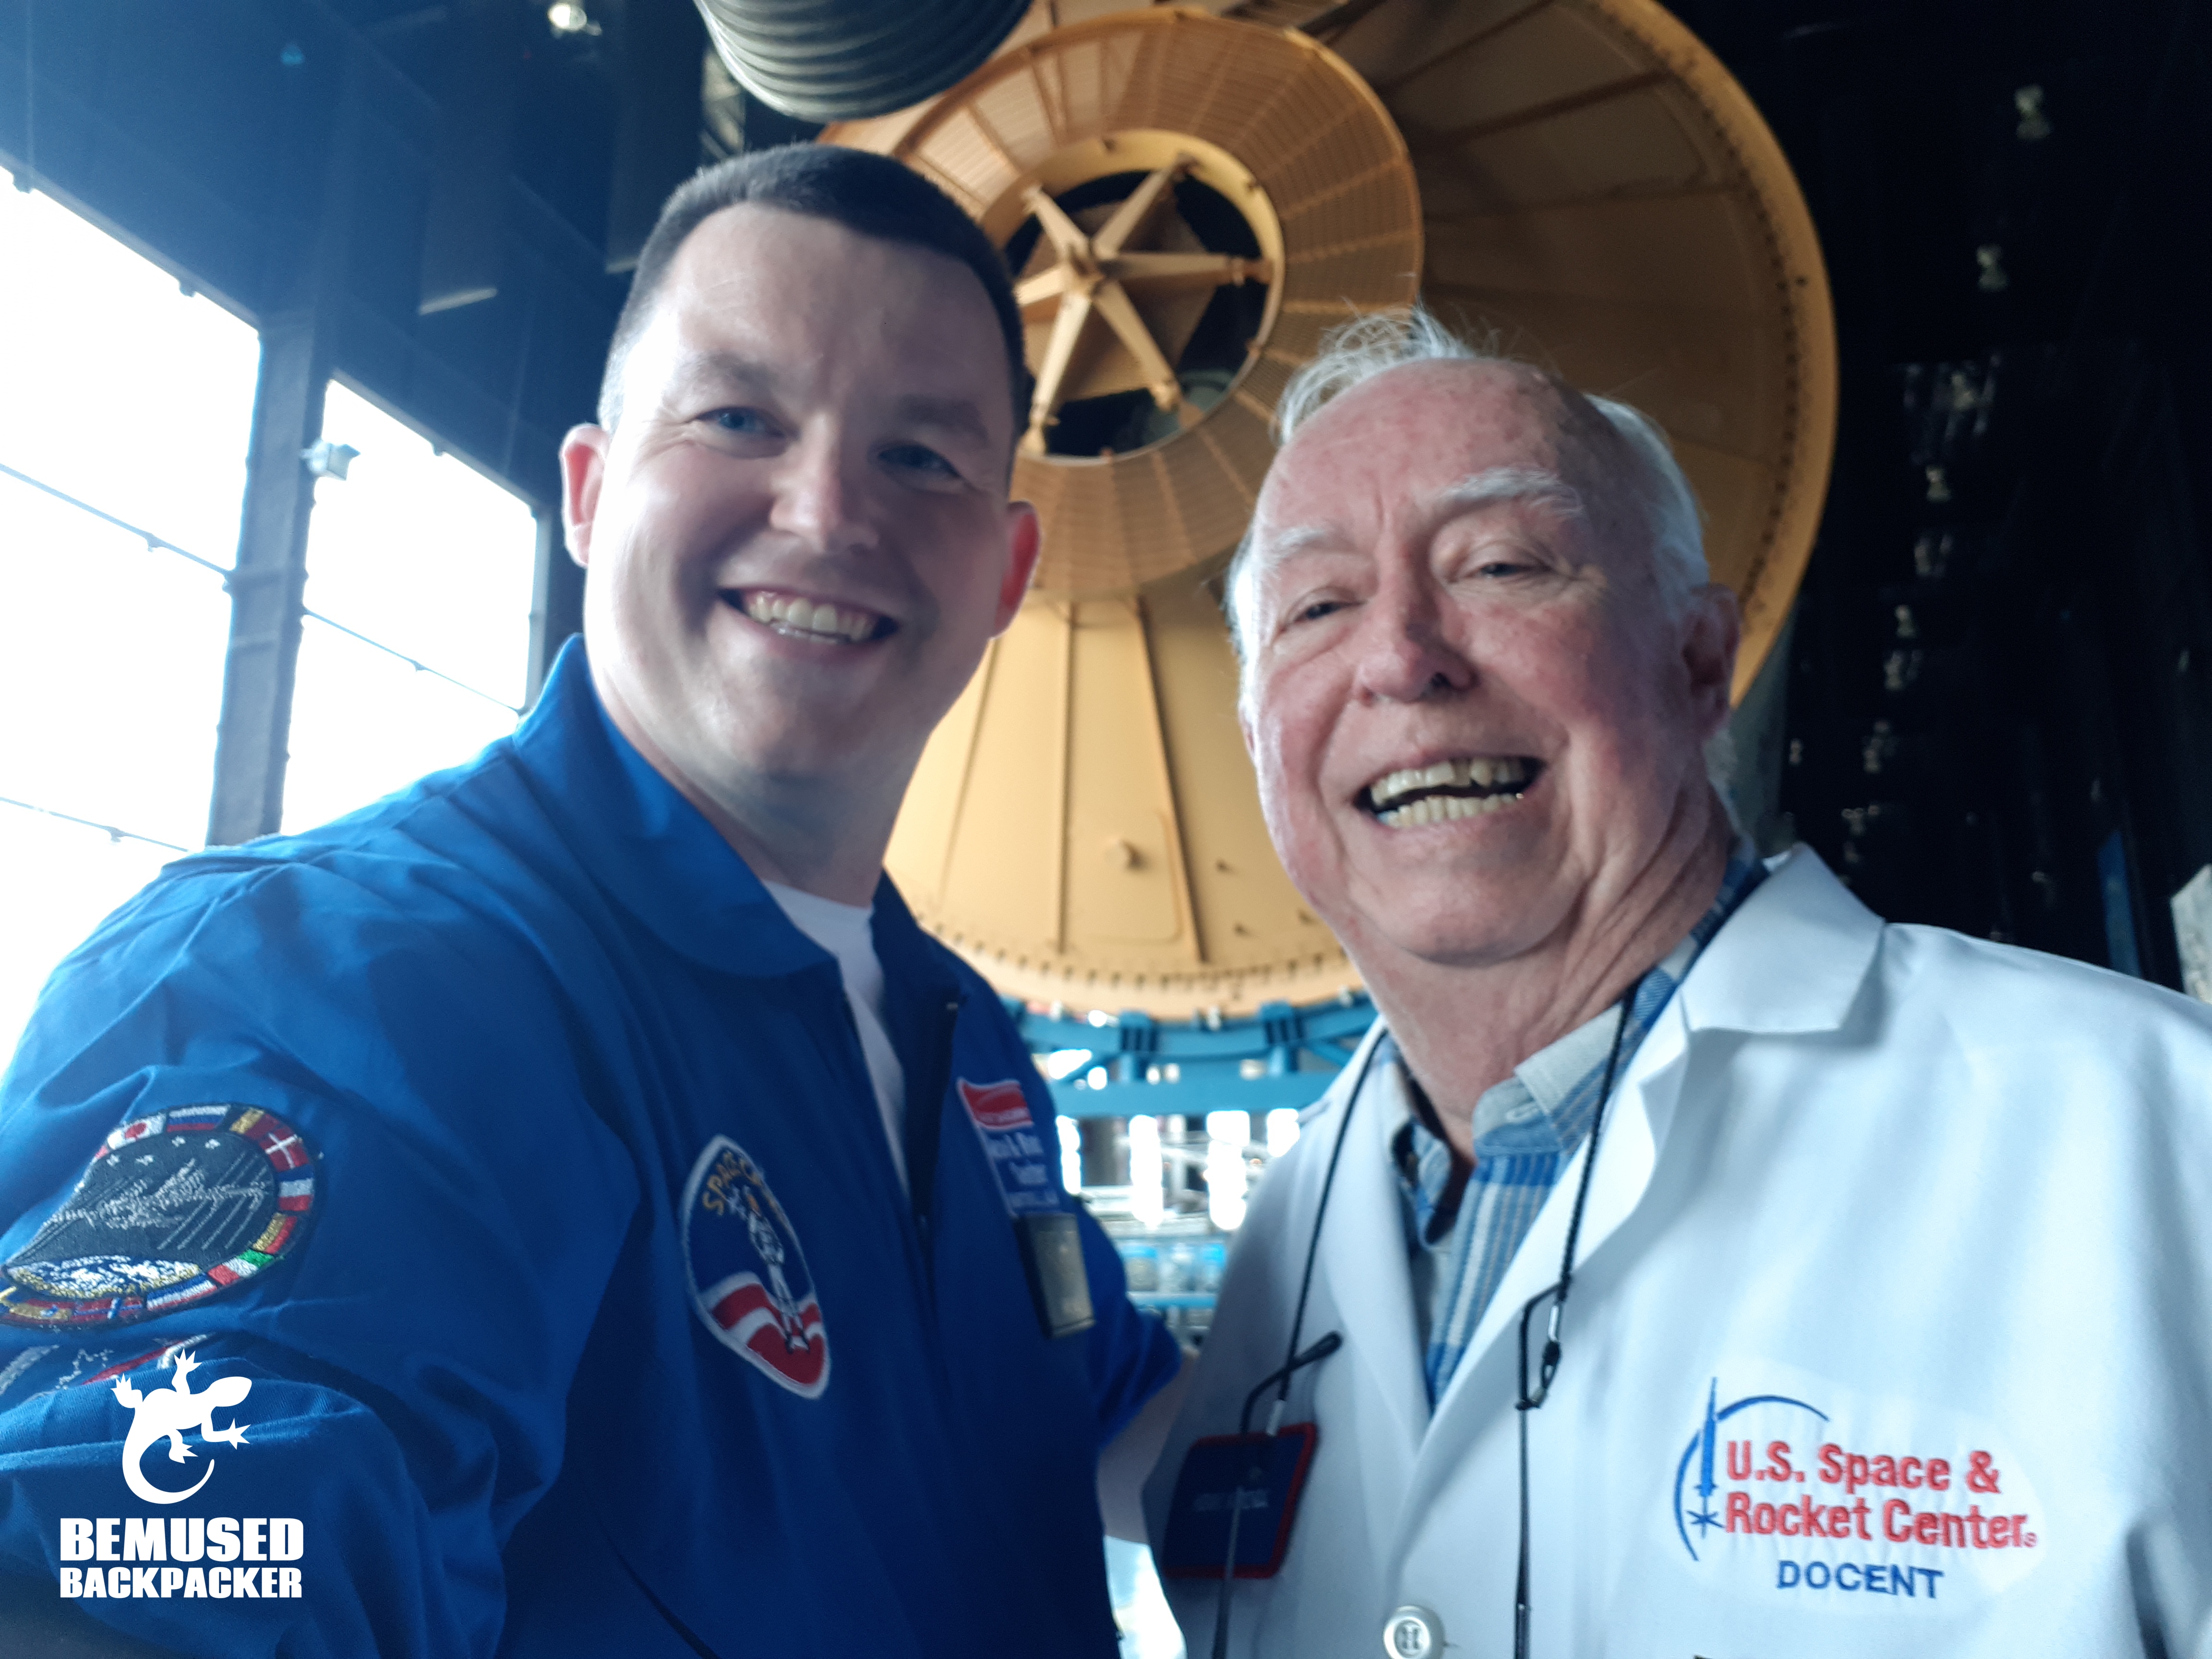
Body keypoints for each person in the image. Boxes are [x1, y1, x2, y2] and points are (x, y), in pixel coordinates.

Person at [0, 145, 1184, 1658]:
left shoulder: (962, 1038)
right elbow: (152, 1563)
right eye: (738, 418)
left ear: (1008, 568)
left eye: (923, 457)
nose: (826, 511)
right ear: (587, 488)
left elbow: (1103, 1405)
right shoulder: (345, 983)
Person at [1142, 307, 2212, 1658]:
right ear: (1260, 745)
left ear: (1700, 663)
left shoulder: (2149, 1134)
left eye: (1502, 565)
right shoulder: (1289, 1244)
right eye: (1318, 605)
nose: (1402, 658)